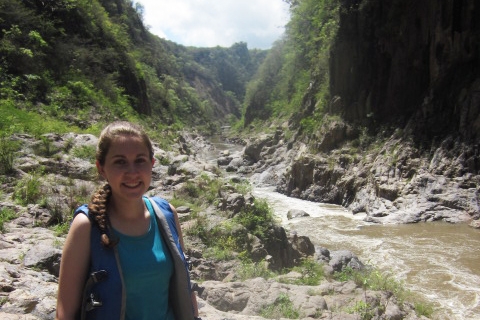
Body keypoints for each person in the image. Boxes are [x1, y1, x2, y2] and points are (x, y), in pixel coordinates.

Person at [56, 121, 200, 320]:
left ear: (152, 163)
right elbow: (65, 313)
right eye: (120, 162)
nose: (132, 172)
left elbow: (184, 285)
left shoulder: (166, 215)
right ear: (101, 167)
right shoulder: (87, 227)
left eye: (140, 160)